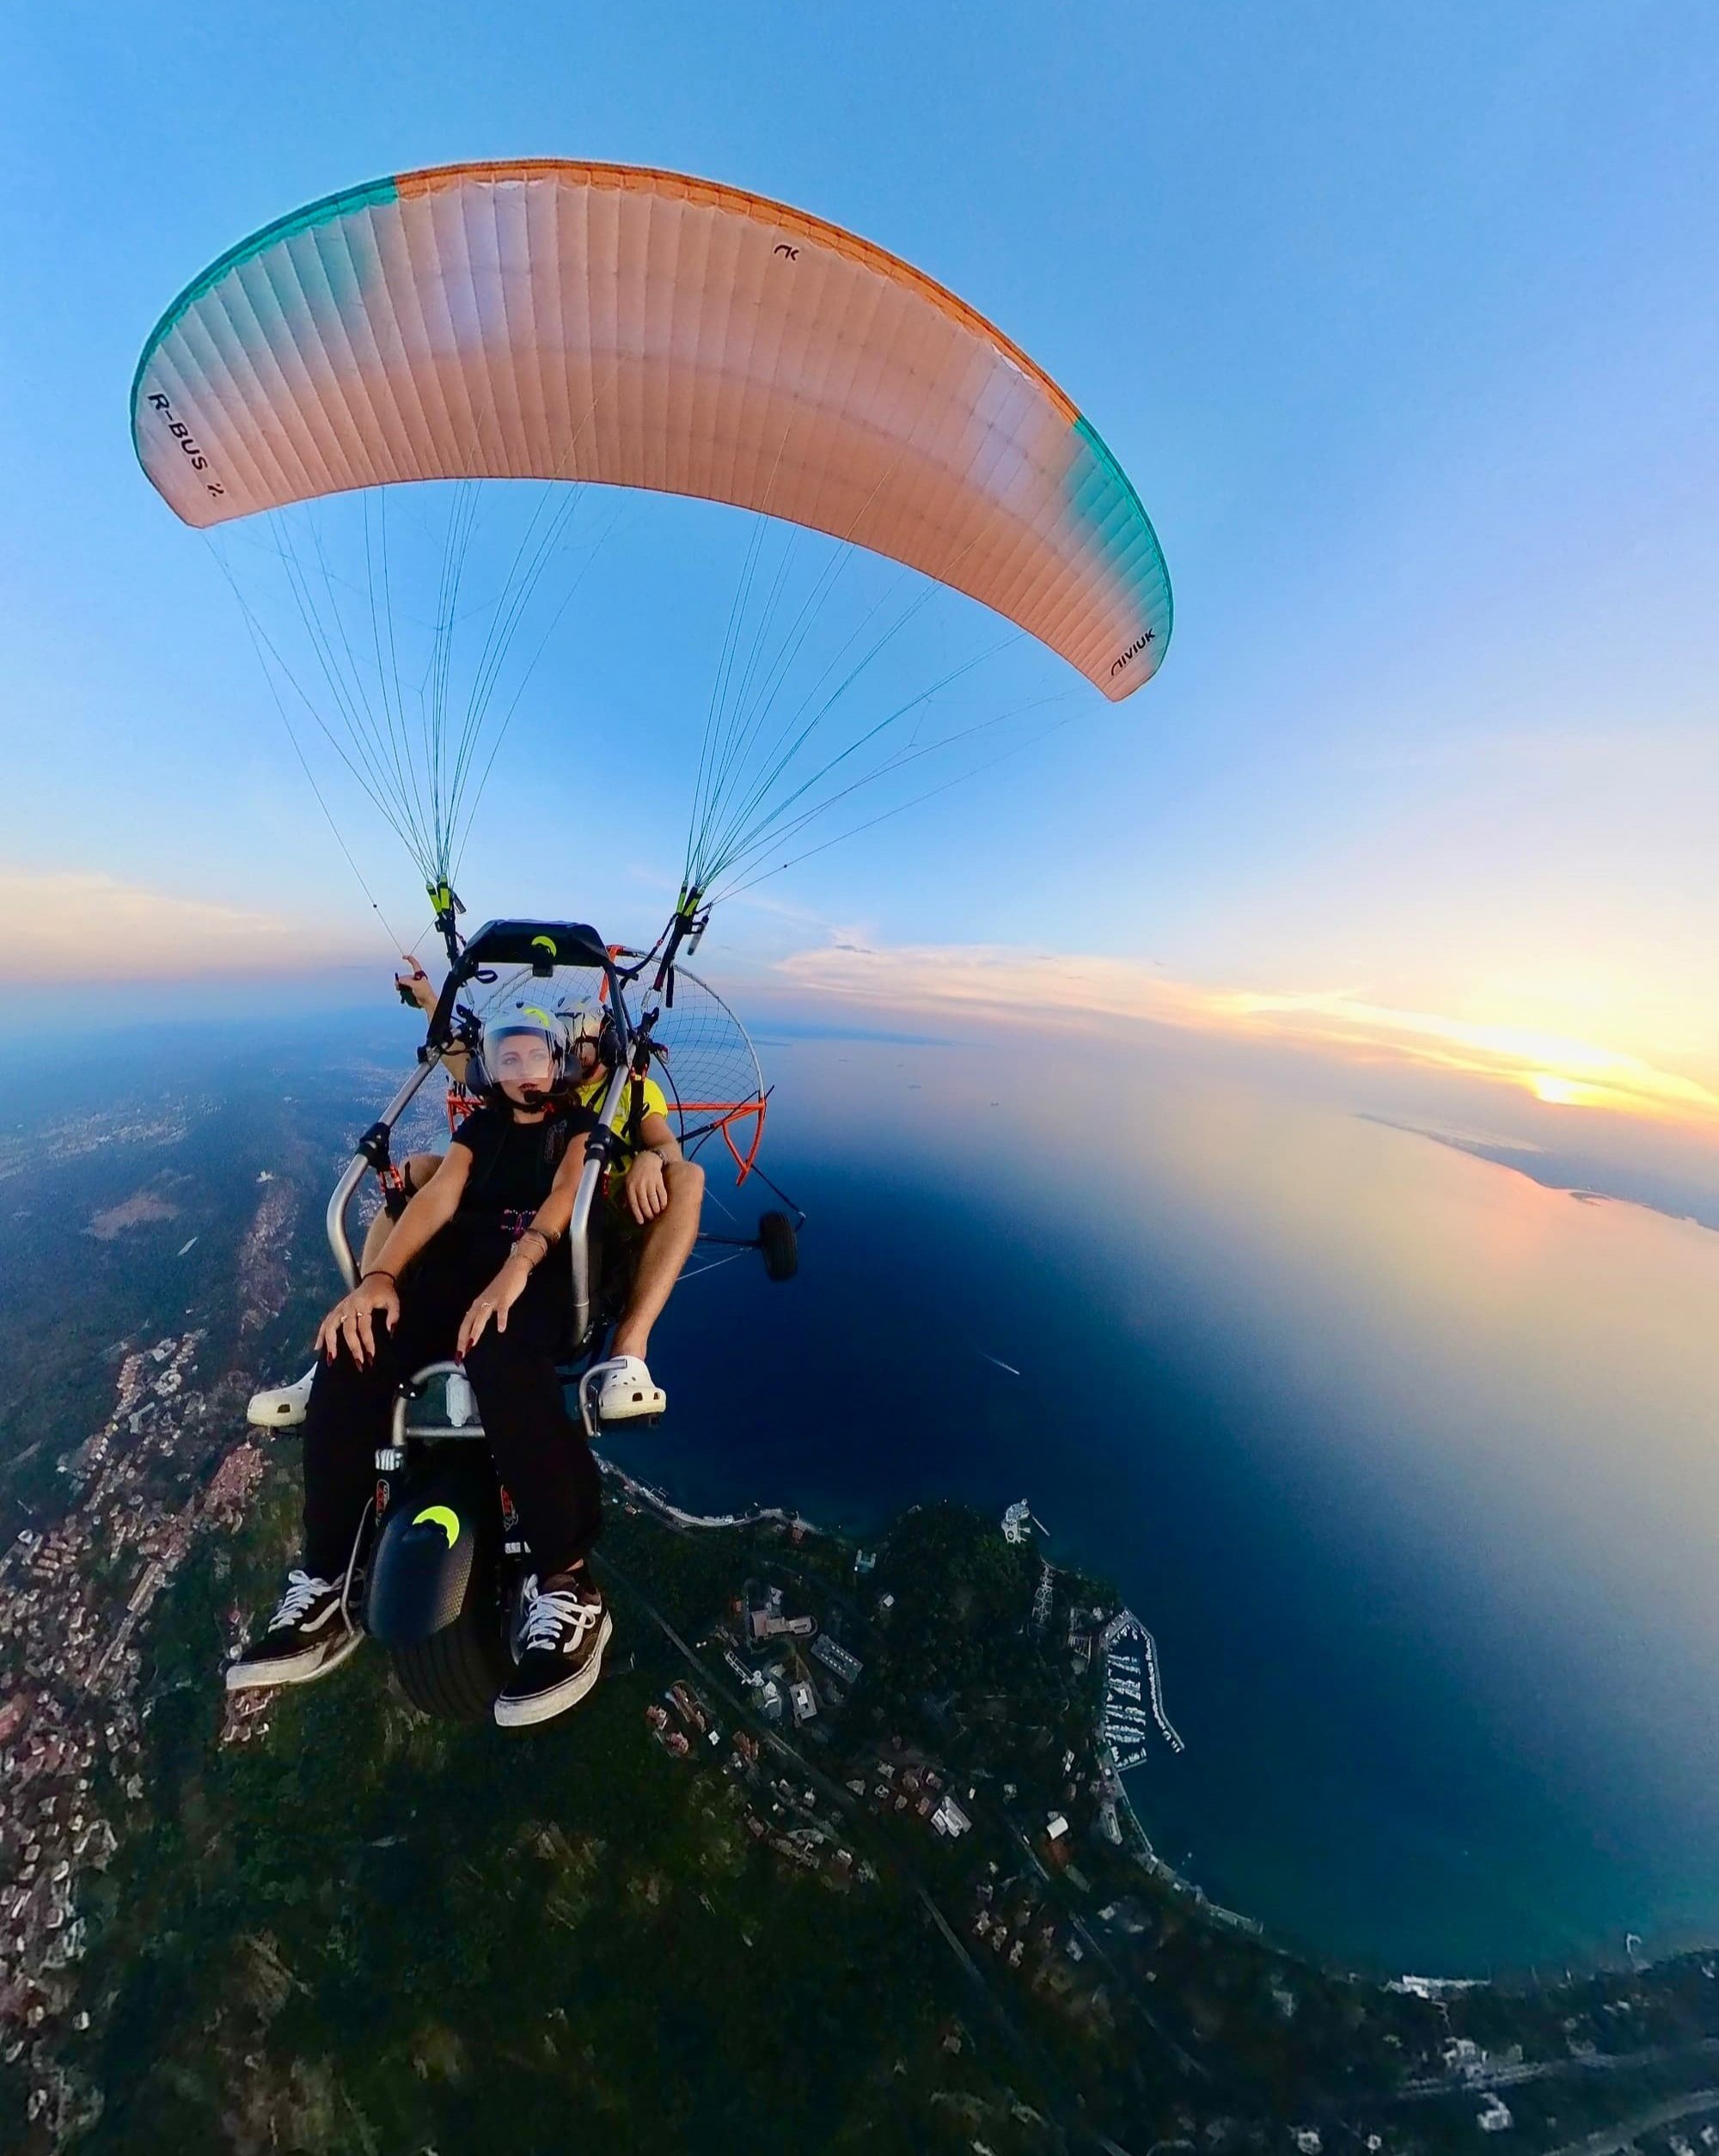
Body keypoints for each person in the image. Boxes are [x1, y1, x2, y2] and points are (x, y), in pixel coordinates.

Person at [226, 1007, 615, 1729]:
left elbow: (565, 1200)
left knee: (500, 1352)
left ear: (559, 1065)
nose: (521, 1071)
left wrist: (515, 1270)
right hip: (464, 1270)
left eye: (536, 1058)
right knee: (356, 1341)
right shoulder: (479, 1131)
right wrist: (380, 1278)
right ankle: (327, 1576)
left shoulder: (578, 1130)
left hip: (538, 1272)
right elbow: (438, 1196)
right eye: (509, 1058)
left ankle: (567, 1582)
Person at [563, 1007, 705, 1422]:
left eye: (583, 1046)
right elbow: (471, 1066)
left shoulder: (632, 1090)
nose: (576, 1056)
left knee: (689, 1177)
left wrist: (652, 1157)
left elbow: (665, 1143)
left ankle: (628, 1351)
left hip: (621, 1204)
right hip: (563, 1200)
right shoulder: (554, 1085)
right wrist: (431, 1003)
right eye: (569, 1046)